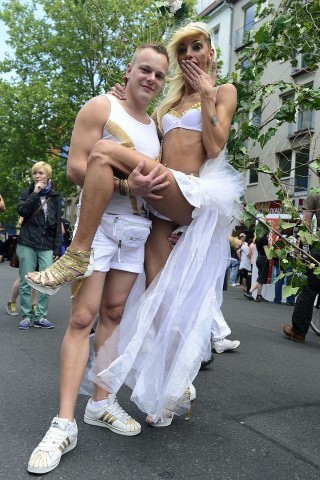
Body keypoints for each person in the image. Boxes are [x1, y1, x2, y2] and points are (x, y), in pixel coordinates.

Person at [27, 23, 244, 426]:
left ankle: (76, 255)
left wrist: (210, 92)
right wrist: (121, 100)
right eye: (184, 51)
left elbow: (215, 146)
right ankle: (170, 386)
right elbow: (151, 152)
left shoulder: (223, 92)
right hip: (156, 208)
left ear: (211, 51)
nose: (191, 56)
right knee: (159, 302)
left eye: (198, 47)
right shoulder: (162, 109)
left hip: (191, 192)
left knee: (106, 149)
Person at [27, 43, 170, 475]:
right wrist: (129, 188)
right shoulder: (101, 106)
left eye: (159, 75)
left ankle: (101, 403)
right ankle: (64, 423)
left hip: (136, 231)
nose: (151, 79)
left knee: (113, 314)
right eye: (145, 69)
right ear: (129, 70)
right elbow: (75, 168)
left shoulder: (158, 128)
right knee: (81, 318)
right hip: (101, 228)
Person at [17, 162, 61, 329]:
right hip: (27, 242)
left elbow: (57, 225)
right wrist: (34, 194)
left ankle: (41, 317)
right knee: (26, 280)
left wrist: (57, 248)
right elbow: (22, 211)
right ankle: (27, 316)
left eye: (41, 173)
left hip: (47, 244)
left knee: (46, 281)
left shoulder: (55, 198)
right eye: (35, 173)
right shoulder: (26, 193)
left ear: (48, 176)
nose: (37, 176)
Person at [284, 192, 320, 342]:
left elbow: (306, 222)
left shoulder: (315, 197)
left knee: (310, 288)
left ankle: (298, 331)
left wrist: (299, 241)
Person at [244, 231, 271, 302]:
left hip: (259, 259)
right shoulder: (264, 239)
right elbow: (267, 252)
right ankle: (250, 291)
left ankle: (259, 295)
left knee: (261, 278)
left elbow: (254, 241)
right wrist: (270, 244)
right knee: (260, 278)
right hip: (263, 259)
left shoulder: (258, 239)